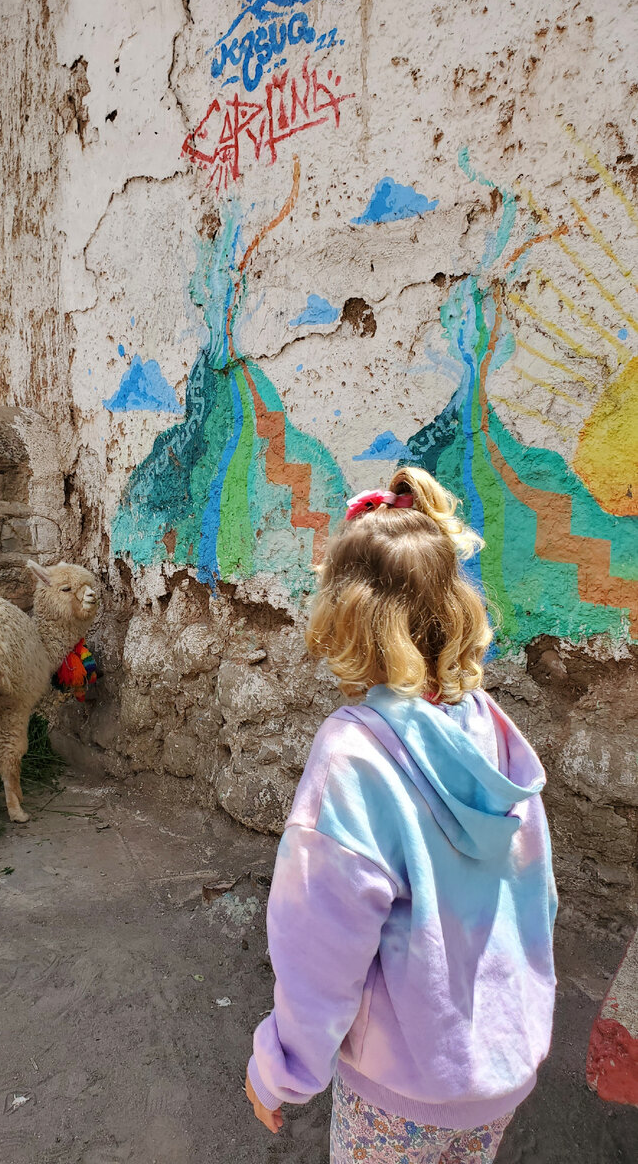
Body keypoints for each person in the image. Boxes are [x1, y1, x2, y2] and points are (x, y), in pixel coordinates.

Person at [244, 466, 557, 1163]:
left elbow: (318, 948)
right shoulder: (494, 733)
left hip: (401, 1086)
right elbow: (539, 900)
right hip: (499, 1069)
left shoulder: (353, 757)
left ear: (345, 616)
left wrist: (280, 1070)